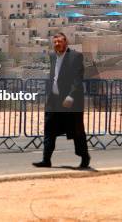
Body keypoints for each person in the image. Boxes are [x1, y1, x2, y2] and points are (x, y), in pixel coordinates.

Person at [33, 32, 91, 169]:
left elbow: (78, 79)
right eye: (55, 42)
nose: (57, 44)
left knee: (76, 131)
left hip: (71, 101)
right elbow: (55, 77)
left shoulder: (75, 56)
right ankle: (46, 159)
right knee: (49, 129)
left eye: (60, 42)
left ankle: (84, 158)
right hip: (54, 100)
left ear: (66, 43)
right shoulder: (52, 56)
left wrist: (71, 96)